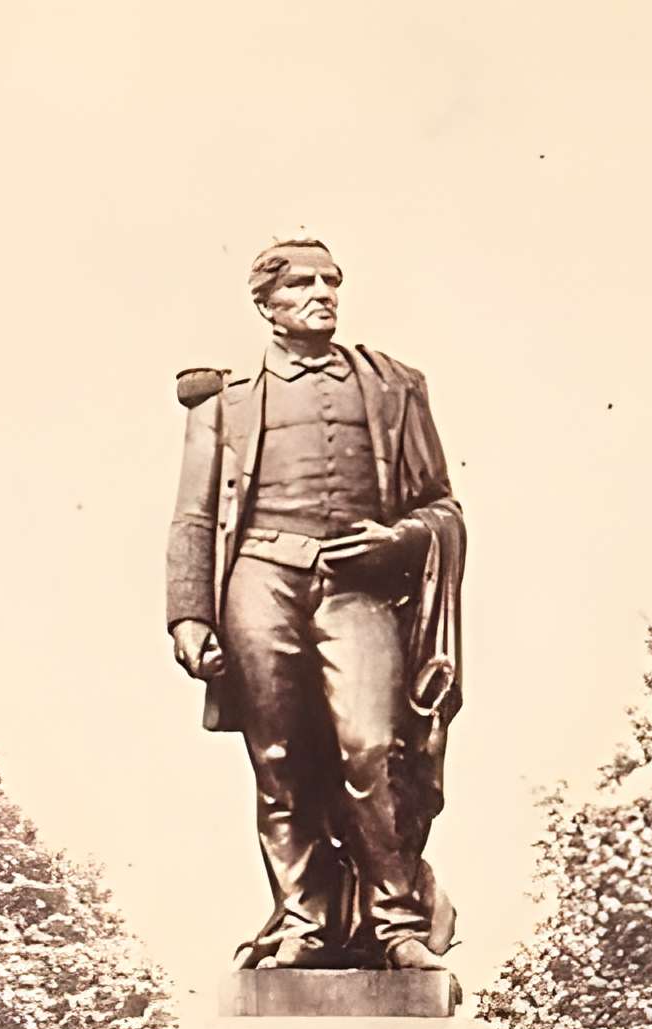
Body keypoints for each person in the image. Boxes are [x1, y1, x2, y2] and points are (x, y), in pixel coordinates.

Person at [166, 236, 464, 970]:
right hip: (259, 579)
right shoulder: (225, 403)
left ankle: (396, 925)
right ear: (265, 303)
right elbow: (195, 514)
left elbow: (443, 506)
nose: (323, 293)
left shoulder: (396, 387)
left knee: (373, 745)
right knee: (280, 758)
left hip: (355, 586)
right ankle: (302, 917)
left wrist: (397, 542)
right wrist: (189, 613)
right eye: (301, 283)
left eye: (332, 280)